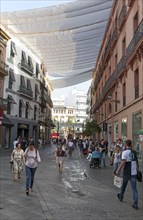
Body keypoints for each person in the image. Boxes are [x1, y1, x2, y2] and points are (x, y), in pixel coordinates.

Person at [115, 139, 139, 209]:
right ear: (131, 144)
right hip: (133, 172)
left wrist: (118, 171)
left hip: (126, 173)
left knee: (123, 186)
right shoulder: (134, 152)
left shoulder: (124, 152)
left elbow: (122, 162)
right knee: (135, 189)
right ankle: (136, 204)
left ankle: (121, 196)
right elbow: (136, 162)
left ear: (125, 145)